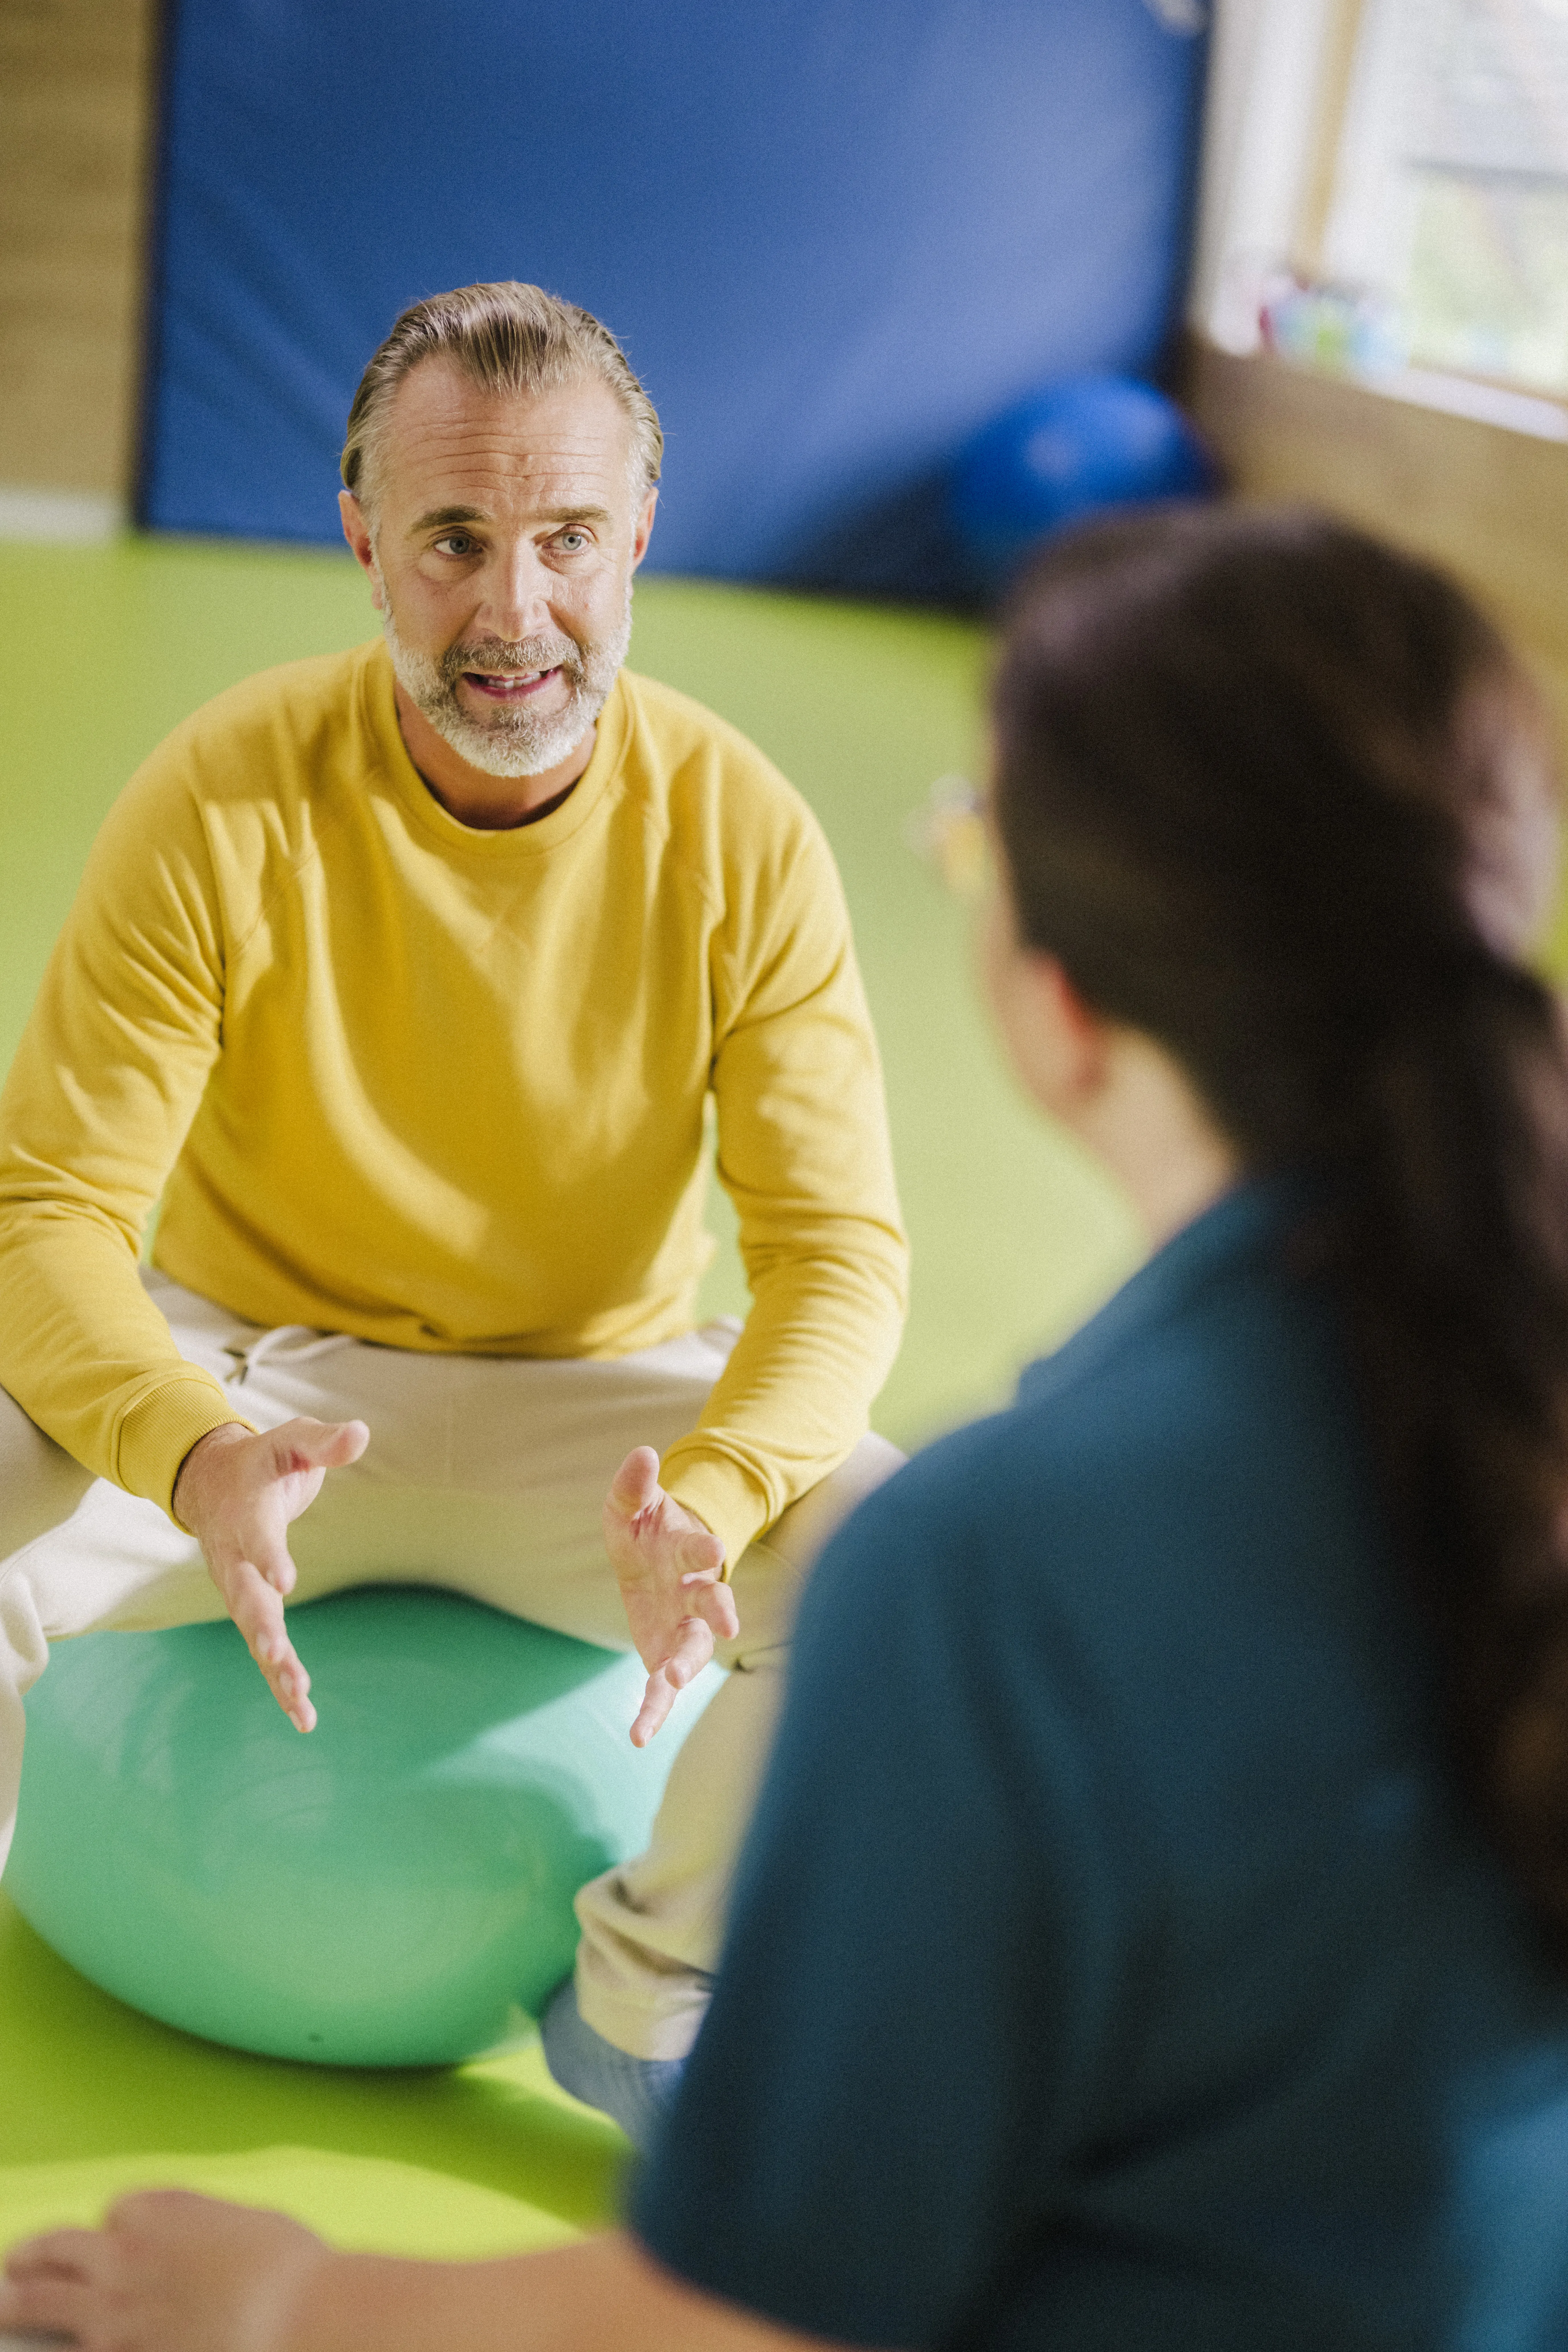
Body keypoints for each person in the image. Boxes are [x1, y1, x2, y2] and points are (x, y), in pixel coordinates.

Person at [10, 503, 1568, 2351]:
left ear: (1056, 999)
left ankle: (644, 2021)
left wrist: (283, 2301)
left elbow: (772, 2321)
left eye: (973, 836)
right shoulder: (1448, 1432)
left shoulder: (987, 1570)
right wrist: (191, 1437)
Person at [0, 280, 908, 2143]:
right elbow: (50, 1211)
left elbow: (839, 1254)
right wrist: (182, 1453)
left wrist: (722, 1500)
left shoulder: (741, 831)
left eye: (570, 541)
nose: (515, 613)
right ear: (362, 543)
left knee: (900, 1571)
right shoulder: (226, 789)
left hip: (601, 1420)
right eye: (454, 542)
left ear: (639, 532)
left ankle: (647, 2009)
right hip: (245, 1382)